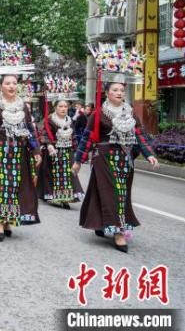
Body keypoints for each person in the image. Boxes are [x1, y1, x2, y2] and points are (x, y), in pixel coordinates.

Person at [73, 82, 159, 253]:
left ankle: (101, 222)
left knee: (120, 193)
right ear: (107, 93)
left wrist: (149, 155)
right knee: (113, 192)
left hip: (125, 158)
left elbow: (140, 135)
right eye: (115, 90)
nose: (119, 93)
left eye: (122, 90)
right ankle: (119, 232)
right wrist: (78, 161)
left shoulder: (131, 112)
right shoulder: (98, 114)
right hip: (104, 157)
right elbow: (88, 138)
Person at [0, 75, 41, 241]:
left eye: (14, 83)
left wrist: (36, 150)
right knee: (0, 185)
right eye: (7, 83)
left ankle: (8, 220)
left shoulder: (23, 107)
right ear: (1, 86)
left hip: (18, 153)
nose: (11, 86)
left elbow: (30, 130)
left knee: (14, 186)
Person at [38, 99, 83, 208]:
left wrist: (77, 150)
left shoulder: (70, 121)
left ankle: (66, 197)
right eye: (60, 106)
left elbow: (73, 136)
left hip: (68, 151)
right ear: (55, 108)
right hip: (53, 151)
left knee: (68, 174)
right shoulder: (49, 120)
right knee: (53, 174)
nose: (63, 109)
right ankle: (52, 195)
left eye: (65, 106)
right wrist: (49, 145)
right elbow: (44, 134)